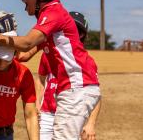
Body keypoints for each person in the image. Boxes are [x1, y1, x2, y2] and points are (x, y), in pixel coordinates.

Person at [0, 0, 101, 140]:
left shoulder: (54, 12)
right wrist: (5, 43)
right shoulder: (48, 19)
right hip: (72, 88)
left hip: (76, 87)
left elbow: (26, 43)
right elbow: (24, 55)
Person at [19, 11, 101, 140]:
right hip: (47, 113)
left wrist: (91, 124)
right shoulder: (48, 52)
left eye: (75, 30)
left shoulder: (86, 62)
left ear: (82, 35)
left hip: (70, 111)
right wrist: (38, 103)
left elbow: (95, 95)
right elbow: (39, 77)